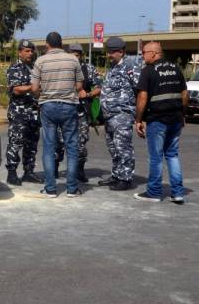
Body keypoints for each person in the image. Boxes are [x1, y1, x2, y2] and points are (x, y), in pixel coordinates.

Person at [134, 42, 188, 204]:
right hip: (175, 119)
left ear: (153, 53)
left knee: (156, 157)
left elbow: (142, 97)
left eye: (143, 52)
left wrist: (138, 120)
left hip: (157, 120)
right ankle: (178, 193)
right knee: (172, 155)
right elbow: (184, 95)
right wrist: (182, 114)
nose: (142, 56)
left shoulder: (148, 71)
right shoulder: (175, 68)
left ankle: (154, 193)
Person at [31, 32, 84, 198]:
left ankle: (51, 188)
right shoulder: (73, 59)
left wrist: (42, 97)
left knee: (48, 147)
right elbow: (79, 85)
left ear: (47, 45)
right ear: (62, 44)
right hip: (69, 106)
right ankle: (72, 188)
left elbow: (34, 88)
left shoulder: (40, 61)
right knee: (72, 147)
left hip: (48, 106)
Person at [54, 43, 102, 182]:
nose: (75, 58)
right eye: (72, 55)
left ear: (81, 56)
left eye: (77, 55)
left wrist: (87, 94)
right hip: (62, 111)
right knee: (59, 143)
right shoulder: (59, 67)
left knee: (80, 143)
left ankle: (79, 171)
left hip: (80, 112)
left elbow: (99, 87)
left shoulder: (89, 69)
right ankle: (55, 169)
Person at [98, 37, 141, 191]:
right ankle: (117, 174)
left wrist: (138, 114)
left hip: (122, 114)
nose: (109, 55)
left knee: (123, 147)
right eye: (108, 52)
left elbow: (140, 88)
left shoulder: (130, 66)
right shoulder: (113, 67)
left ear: (121, 52)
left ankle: (126, 178)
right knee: (113, 147)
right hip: (109, 115)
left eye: (111, 52)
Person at [5, 39, 43, 186]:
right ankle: (12, 173)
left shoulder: (34, 68)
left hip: (33, 112)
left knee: (32, 144)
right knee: (15, 142)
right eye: (27, 51)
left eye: (32, 51)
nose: (30, 53)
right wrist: (32, 88)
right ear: (19, 52)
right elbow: (15, 89)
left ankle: (29, 172)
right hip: (19, 112)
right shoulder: (14, 68)